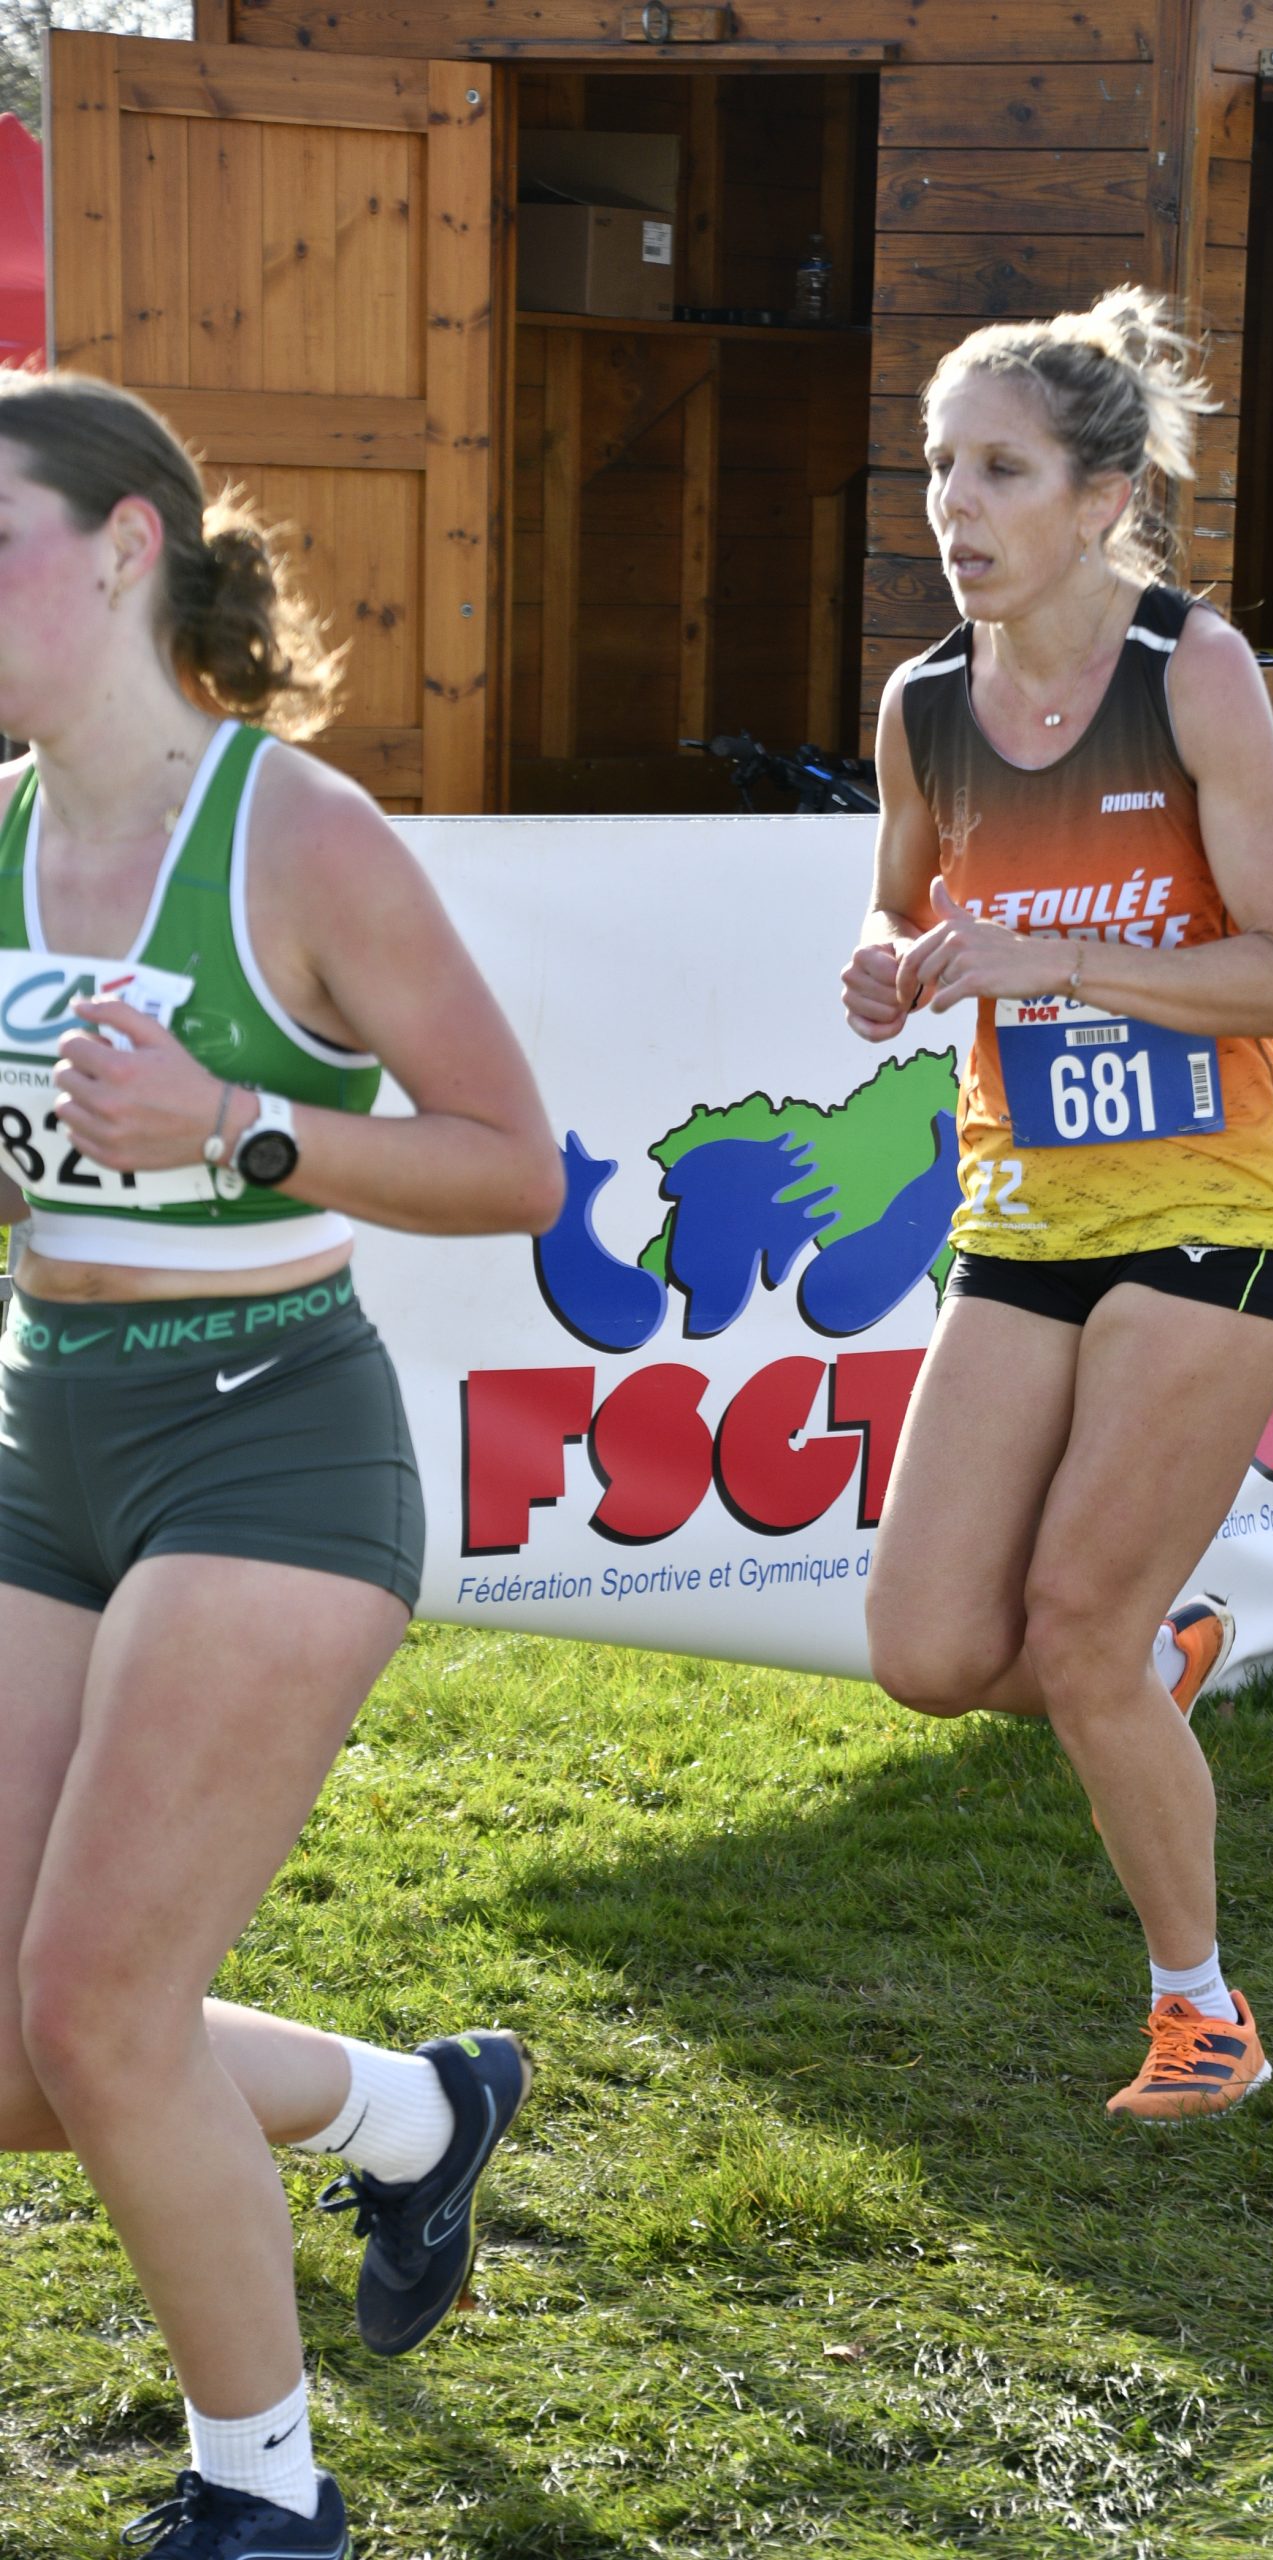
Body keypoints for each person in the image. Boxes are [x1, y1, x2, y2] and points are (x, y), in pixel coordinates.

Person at [0, 374, 566, 2556]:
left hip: (270, 1438)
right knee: (27, 2053)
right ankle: (414, 2115)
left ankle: (266, 2494)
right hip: (48, 1423)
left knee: (100, 2005)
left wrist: (238, 1124)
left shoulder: (297, 834)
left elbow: (512, 1164)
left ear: (126, 547)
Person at [841, 293, 1273, 2124]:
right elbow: (905, 900)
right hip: (1023, 1209)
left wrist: (1061, 956)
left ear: (1103, 497)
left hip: (1221, 1206)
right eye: (938, 468)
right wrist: (886, 964)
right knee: (926, 1655)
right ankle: (1155, 1651)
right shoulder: (922, 705)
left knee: (1067, 1627)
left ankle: (1203, 2014)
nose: (953, 507)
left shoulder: (1189, 673)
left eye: (1000, 470)